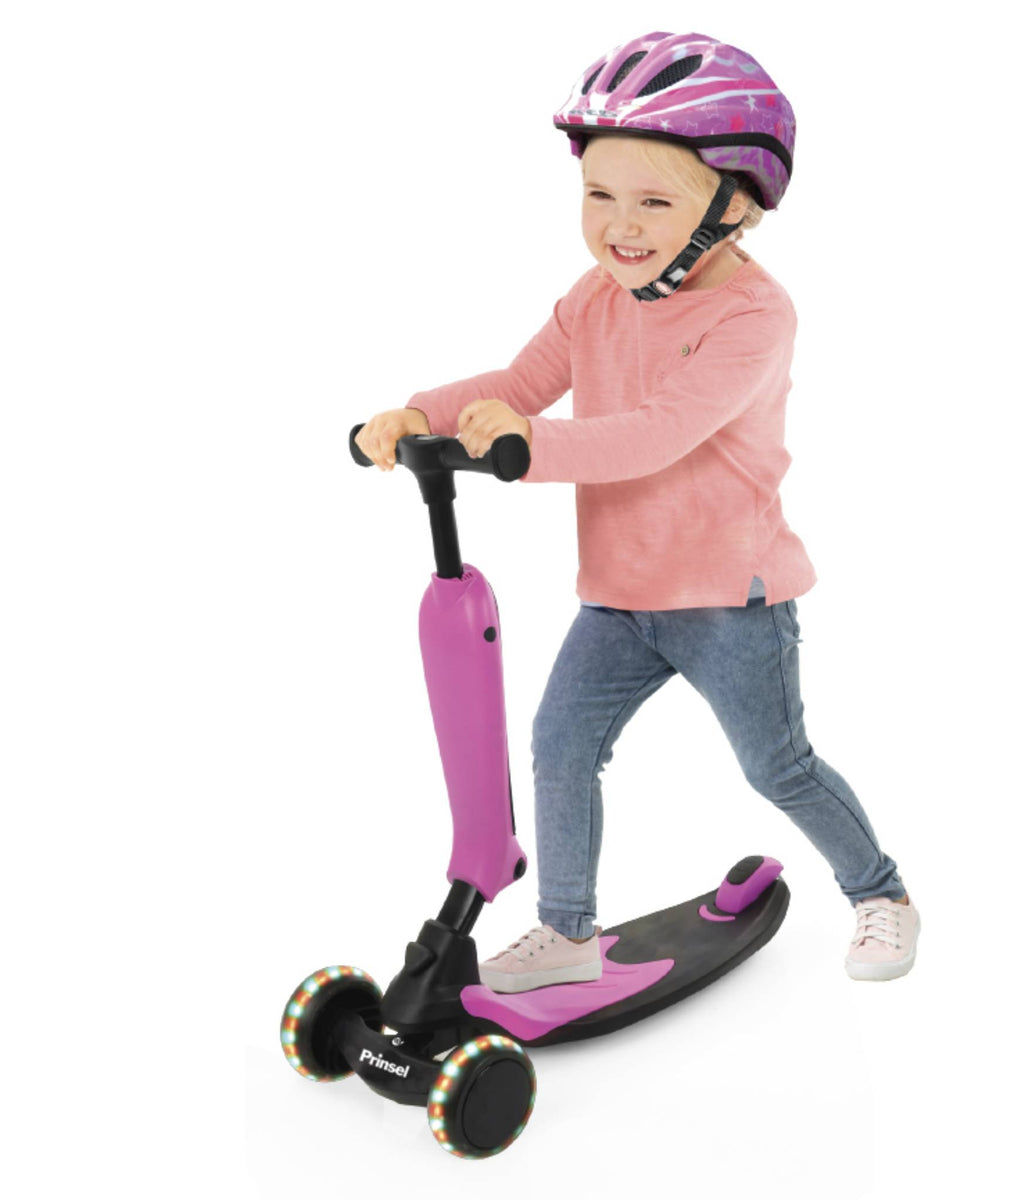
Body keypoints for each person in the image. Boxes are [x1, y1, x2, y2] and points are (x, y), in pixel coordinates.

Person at [354, 31, 919, 988]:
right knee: (560, 747)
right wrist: (419, 414)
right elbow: (520, 385)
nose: (621, 225)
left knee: (777, 766)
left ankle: (881, 893)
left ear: (733, 205)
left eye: (655, 201)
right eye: (599, 195)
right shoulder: (597, 296)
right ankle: (568, 932)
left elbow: (659, 433)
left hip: (728, 603)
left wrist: (530, 448)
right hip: (618, 595)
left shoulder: (753, 316)